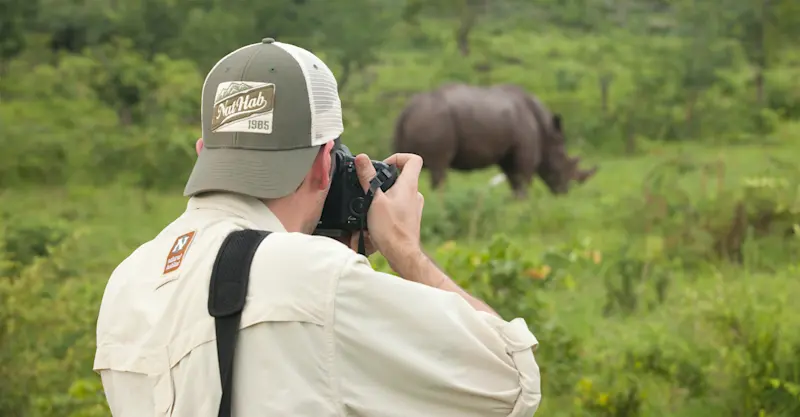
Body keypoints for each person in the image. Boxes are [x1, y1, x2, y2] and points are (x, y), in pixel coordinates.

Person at [92, 38, 542, 417]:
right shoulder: (318, 278)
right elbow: (509, 382)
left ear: (203, 152)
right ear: (326, 163)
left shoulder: (127, 281)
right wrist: (404, 249)